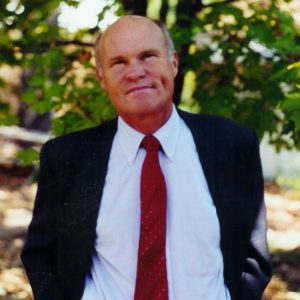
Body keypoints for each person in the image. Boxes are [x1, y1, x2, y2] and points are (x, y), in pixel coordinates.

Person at [21, 15, 272, 300]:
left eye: (148, 56)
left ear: (174, 62)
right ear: (101, 78)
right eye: (119, 62)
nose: (135, 72)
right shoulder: (68, 158)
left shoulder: (233, 145)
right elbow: (41, 255)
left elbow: (253, 258)